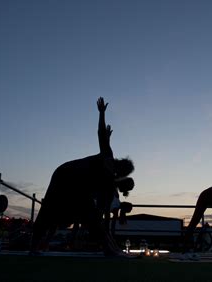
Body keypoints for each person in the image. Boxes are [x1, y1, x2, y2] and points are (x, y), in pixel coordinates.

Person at [30, 97, 135, 255]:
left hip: (79, 186)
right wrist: (101, 114)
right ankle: (33, 247)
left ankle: (109, 249)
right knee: (49, 208)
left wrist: (114, 248)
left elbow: (100, 214)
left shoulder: (109, 181)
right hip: (65, 174)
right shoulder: (108, 157)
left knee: (89, 214)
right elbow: (100, 134)